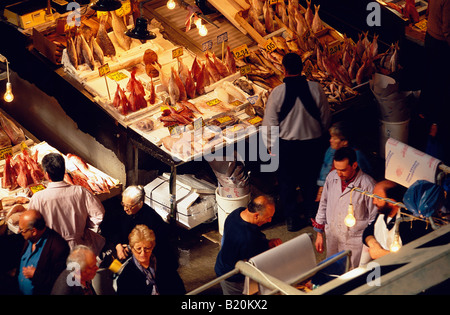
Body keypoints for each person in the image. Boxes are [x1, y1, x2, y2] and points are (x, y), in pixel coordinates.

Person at [262, 52, 331, 231]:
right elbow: (325, 117)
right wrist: (321, 136)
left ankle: (292, 220)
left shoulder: (277, 93)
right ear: (302, 68)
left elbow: (269, 125)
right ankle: (313, 216)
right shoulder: (316, 89)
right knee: (311, 182)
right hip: (313, 146)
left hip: (287, 148)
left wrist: (270, 147)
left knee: (287, 185)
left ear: (283, 70)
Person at [313, 147, 378, 269]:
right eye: (336, 169)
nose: (339, 174)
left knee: (350, 272)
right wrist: (319, 233)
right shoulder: (331, 177)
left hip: (354, 239)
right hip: (333, 234)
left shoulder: (368, 185)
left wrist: (369, 243)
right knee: (331, 268)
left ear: (354, 165)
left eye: (343, 170)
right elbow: (323, 203)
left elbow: (373, 217)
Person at [113, 185, 185, 294]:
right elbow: (114, 228)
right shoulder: (126, 278)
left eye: (129, 206)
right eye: (124, 204)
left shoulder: (152, 220)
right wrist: (118, 245)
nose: (125, 208)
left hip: (153, 259)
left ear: (140, 203)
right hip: (126, 255)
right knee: (111, 271)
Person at [29, 153, 105, 255]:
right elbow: (99, 214)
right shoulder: (80, 191)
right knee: (79, 270)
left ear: (46, 174)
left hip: (52, 250)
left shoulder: (38, 198)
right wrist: (84, 228)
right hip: (80, 246)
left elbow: (33, 226)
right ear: (64, 171)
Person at [214, 195, 282, 295]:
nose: (270, 220)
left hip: (223, 263)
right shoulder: (247, 238)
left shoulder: (237, 213)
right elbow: (257, 262)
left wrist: (267, 243)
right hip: (233, 277)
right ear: (256, 215)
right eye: (268, 217)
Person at [360, 180, 431, 264]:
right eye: (373, 197)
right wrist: (373, 243)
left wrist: (383, 254)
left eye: (378, 198)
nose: (374, 202)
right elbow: (367, 232)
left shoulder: (410, 222)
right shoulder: (382, 214)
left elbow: (414, 255)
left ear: (392, 202)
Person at [419, 0, 450, 164]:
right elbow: (448, 30)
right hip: (441, 46)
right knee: (440, 92)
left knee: (431, 86)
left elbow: (429, 10)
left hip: (431, 38)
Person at [316, 121, 373, 202]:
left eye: (334, 138)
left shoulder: (358, 155)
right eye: (331, 137)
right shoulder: (331, 150)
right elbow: (325, 168)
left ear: (345, 142)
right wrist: (322, 189)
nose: (330, 140)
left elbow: (364, 180)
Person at [17, 209, 70, 295]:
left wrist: (36, 275)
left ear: (33, 231)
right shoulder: (28, 238)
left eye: (22, 230)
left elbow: (60, 281)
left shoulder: (58, 247)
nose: (19, 231)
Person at [116, 225, 162, 295]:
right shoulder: (126, 277)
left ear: (152, 247)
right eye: (138, 249)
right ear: (132, 249)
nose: (143, 253)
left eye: (147, 248)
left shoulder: (163, 264)